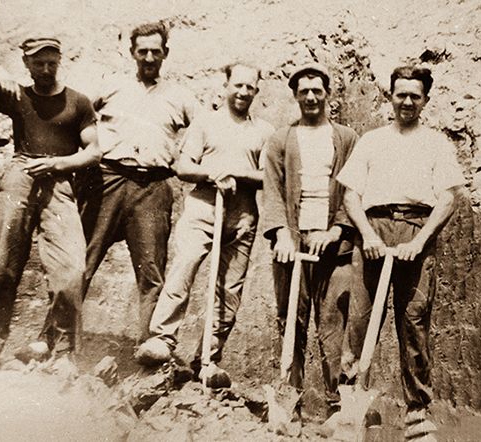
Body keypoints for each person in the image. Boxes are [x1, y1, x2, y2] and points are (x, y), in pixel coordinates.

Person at [337, 65, 465, 439]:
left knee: (414, 322)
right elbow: (350, 194)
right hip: (373, 231)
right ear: (390, 96)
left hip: (416, 231)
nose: (407, 101)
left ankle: (417, 414)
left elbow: (448, 198)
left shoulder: (436, 143)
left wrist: (419, 241)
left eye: (415, 96)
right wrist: (367, 235)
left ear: (425, 100)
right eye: (401, 94)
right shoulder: (372, 141)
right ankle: (351, 405)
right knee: (360, 321)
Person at [136, 63, 274, 387]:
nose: (243, 92)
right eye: (237, 85)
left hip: (242, 216)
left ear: (256, 91)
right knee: (184, 267)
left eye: (249, 87)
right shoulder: (205, 122)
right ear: (226, 86)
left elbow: (268, 176)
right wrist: (213, 174)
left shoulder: (264, 131)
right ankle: (162, 339)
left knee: (230, 289)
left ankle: (208, 359)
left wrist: (236, 173)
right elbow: (183, 166)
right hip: (203, 208)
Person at [0, 38, 101, 367]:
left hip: (59, 180)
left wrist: (58, 164)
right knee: (5, 264)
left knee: (72, 268)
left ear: (59, 61)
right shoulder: (17, 95)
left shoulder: (78, 102)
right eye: (38, 63)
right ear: (26, 64)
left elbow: (93, 152)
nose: (45, 70)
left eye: (51, 63)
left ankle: (63, 353)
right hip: (21, 173)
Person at [78, 21, 198, 343]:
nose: (148, 58)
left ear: (165, 53)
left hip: (152, 188)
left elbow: (205, 130)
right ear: (132, 52)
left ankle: (150, 349)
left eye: (155, 52)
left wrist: (186, 158)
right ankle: (56, 342)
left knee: (151, 272)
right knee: (82, 261)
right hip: (108, 181)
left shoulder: (180, 96)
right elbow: (77, 112)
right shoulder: (112, 86)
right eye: (142, 51)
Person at [263, 61, 359, 416]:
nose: (311, 97)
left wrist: (335, 230)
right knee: (291, 321)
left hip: (336, 248)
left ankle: (338, 407)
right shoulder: (281, 139)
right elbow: (272, 190)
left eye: (317, 90)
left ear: (327, 94)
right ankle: (291, 404)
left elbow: (354, 188)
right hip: (293, 244)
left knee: (334, 326)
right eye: (304, 91)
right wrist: (282, 235)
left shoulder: (346, 138)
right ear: (295, 96)